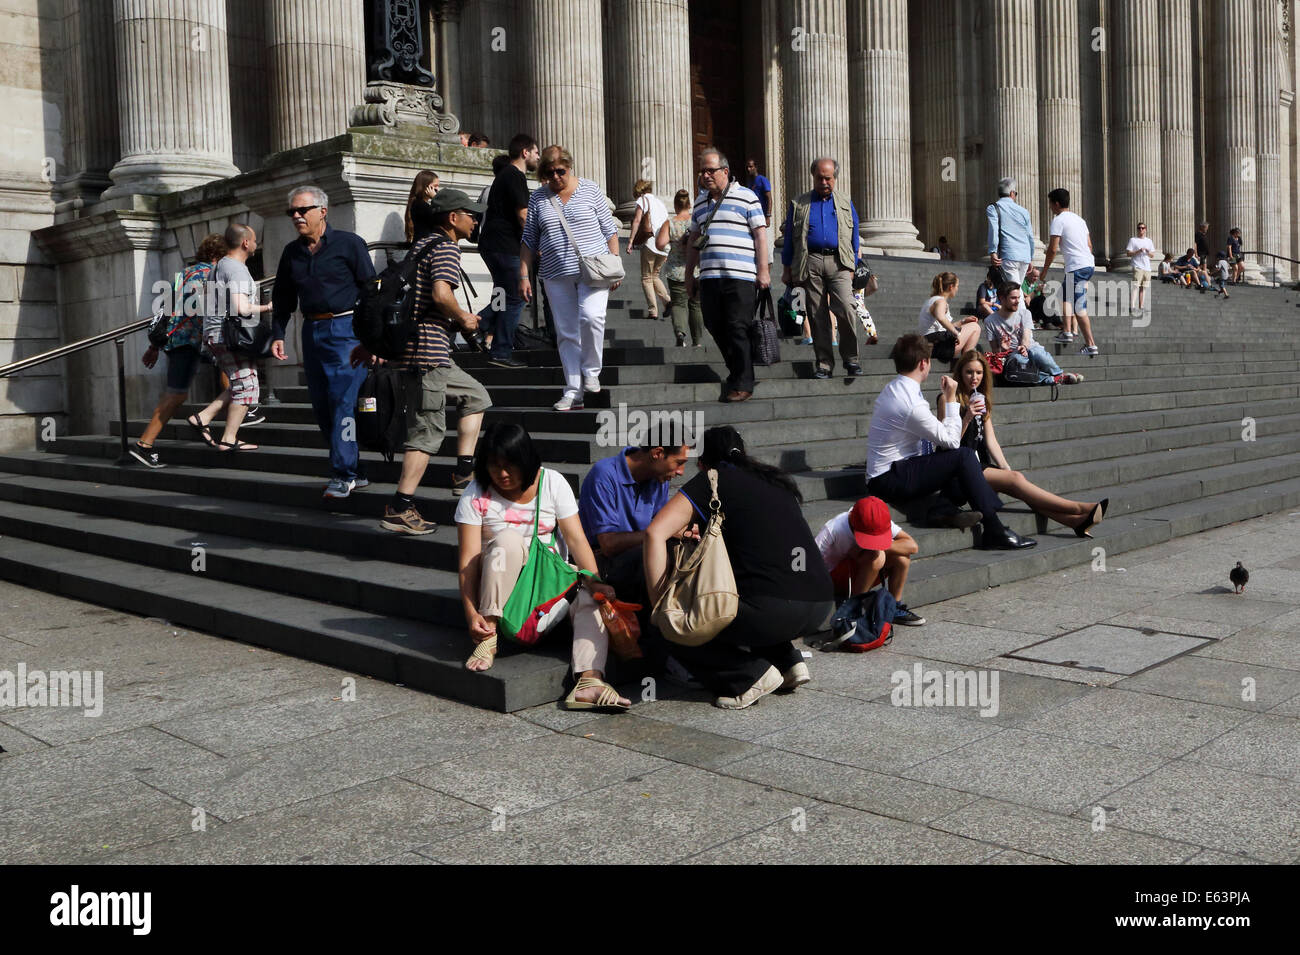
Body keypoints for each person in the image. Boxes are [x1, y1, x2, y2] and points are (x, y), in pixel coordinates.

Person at [643, 426, 833, 709]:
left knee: (678, 622)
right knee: (754, 593)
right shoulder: (774, 480)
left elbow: (654, 533)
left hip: (775, 611)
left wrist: (660, 604)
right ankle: (789, 663)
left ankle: (747, 677)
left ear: (704, 462)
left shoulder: (714, 479)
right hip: (821, 603)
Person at [456, 422, 630, 711]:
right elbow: (468, 561)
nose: (501, 474)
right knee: (509, 541)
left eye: (509, 466)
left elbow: (576, 540)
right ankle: (489, 634)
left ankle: (589, 681)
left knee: (590, 597)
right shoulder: (475, 494)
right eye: (494, 466)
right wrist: (471, 612)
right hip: (502, 594)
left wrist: (595, 580)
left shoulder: (552, 482)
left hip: (549, 591)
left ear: (526, 461)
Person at [351, 189, 493, 532]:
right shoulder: (444, 247)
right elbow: (442, 295)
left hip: (423, 353)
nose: (475, 219)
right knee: (426, 433)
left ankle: (463, 471)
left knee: (476, 396)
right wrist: (464, 318)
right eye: (469, 213)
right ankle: (401, 506)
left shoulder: (421, 246)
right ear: (451, 217)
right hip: (426, 356)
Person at [865, 333, 1036, 549]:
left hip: (894, 471)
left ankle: (943, 509)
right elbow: (952, 442)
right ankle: (994, 527)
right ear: (924, 363)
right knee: (963, 455)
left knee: (957, 461)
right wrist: (951, 399)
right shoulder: (910, 402)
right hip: (888, 480)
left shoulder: (896, 388)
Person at [271, 185, 377, 499]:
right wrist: (278, 334)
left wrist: (372, 340)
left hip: (346, 328)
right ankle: (354, 468)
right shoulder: (292, 252)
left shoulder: (349, 244)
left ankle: (343, 473)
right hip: (312, 331)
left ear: (323, 211)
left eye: (303, 210)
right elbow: (283, 297)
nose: (297, 216)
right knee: (321, 406)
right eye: (292, 211)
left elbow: (371, 292)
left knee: (343, 402)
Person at [940, 350, 1106, 537]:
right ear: (960, 373)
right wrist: (967, 418)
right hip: (957, 469)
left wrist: (1004, 467)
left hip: (979, 465)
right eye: (969, 372)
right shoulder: (947, 399)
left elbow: (990, 439)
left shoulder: (981, 398)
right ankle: (1079, 508)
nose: (974, 377)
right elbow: (947, 443)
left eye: (978, 373)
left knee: (1018, 484)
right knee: (1016, 480)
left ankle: (1073, 521)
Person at [519, 145, 621, 412]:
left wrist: (615, 261)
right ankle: (573, 390)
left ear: (569, 166)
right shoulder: (538, 198)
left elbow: (609, 230)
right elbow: (529, 238)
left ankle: (591, 371)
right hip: (555, 272)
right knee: (566, 333)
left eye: (560, 171)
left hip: (595, 269)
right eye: (549, 173)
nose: (555, 178)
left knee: (592, 317)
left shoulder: (590, 189)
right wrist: (523, 275)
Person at [131, 234, 227, 468]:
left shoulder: (183, 274)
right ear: (217, 256)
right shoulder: (210, 275)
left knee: (228, 367)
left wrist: (155, 346)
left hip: (177, 341)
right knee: (176, 394)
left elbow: (165, 310)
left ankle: (239, 411)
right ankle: (144, 445)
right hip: (191, 341)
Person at [685, 149, 770, 403]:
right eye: (702, 171)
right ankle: (739, 369)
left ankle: (743, 381)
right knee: (713, 324)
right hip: (710, 276)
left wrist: (763, 270)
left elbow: (760, 236)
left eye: (711, 170)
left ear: (725, 171)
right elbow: (692, 239)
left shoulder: (747, 197)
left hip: (741, 275)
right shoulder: (700, 203)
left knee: (737, 326)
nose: (706, 175)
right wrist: (690, 275)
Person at [780, 157, 868, 378]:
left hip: (839, 263)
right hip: (810, 262)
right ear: (813, 177)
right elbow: (789, 237)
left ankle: (851, 359)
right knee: (816, 314)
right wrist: (786, 268)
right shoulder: (799, 203)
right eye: (819, 178)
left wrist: (853, 265)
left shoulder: (845, 202)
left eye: (828, 178)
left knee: (847, 308)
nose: (824, 182)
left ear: (835, 178)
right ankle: (824, 364)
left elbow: (854, 234)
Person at [577, 437, 690, 608]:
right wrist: (662, 532)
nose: (681, 471)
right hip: (599, 566)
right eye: (678, 463)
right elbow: (608, 544)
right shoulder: (604, 475)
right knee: (657, 555)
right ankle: (659, 619)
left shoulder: (658, 478)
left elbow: (661, 524)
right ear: (657, 453)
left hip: (637, 555)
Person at [191, 223, 273, 453]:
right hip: (228, 336)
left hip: (216, 333)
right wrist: (268, 307)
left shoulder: (219, 267)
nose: (256, 244)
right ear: (246, 242)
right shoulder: (235, 268)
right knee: (247, 385)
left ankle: (203, 417)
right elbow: (241, 306)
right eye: (255, 239)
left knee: (242, 382)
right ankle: (228, 438)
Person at [477, 133, 540, 370]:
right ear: (525, 152)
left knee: (502, 295)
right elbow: (523, 215)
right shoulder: (515, 176)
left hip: (493, 246)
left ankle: (478, 324)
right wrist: (538, 245)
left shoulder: (505, 176)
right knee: (517, 297)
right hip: (504, 247)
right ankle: (501, 351)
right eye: (535, 152)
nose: (537, 157)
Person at [815, 496, 925, 626]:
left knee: (901, 558)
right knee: (877, 557)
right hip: (834, 578)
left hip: (861, 573)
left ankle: (894, 608)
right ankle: (853, 608)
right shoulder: (834, 528)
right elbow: (811, 562)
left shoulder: (878, 520)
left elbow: (912, 546)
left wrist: (881, 546)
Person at [1041, 188, 1099, 356]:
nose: (1050, 207)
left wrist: (1044, 272)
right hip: (1088, 264)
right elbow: (1089, 245)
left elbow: (1052, 249)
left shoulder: (1058, 220)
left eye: (1050, 203)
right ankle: (1069, 333)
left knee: (1076, 304)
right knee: (1066, 297)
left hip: (1076, 266)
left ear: (1056, 204)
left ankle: (1087, 342)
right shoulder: (1080, 220)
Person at [985, 284, 1079, 385]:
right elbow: (995, 352)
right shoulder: (990, 321)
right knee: (1018, 361)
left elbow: (1026, 336)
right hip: (1011, 355)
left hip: (1030, 347)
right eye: (1013, 298)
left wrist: (1024, 347)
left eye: (1018, 298)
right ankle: (1054, 379)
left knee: (1037, 353)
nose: (1017, 301)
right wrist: (1004, 349)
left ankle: (1058, 374)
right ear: (1002, 299)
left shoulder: (1025, 313)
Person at [662, 189, 704, 347]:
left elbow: (660, 243)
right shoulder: (696, 222)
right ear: (690, 204)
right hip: (696, 269)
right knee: (696, 305)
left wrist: (675, 242)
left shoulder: (670, 222)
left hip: (675, 271)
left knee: (679, 303)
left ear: (675, 204)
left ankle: (680, 331)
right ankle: (697, 341)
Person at [626, 179, 671, 320]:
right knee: (655, 276)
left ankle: (653, 311)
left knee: (646, 277)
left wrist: (631, 240)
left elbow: (637, 221)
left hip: (650, 242)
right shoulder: (661, 203)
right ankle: (668, 301)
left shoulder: (642, 201)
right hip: (663, 245)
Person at [918, 271, 979, 365]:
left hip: (932, 343)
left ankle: (966, 361)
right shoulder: (940, 301)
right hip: (940, 346)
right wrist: (956, 333)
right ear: (951, 286)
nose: (957, 289)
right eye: (957, 286)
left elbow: (944, 325)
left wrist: (963, 321)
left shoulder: (931, 300)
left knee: (970, 325)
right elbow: (941, 318)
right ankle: (966, 363)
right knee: (975, 327)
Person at [986, 177, 1036, 284]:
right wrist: (1030, 257)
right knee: (1016, 291)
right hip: (1024, 256)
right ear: (1012, 193)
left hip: (1008, 254)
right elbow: (1030, 237)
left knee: (1013, 292)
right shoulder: (1024, 211)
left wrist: (993, 251)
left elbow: (993, 231)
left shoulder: (993, 208)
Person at [1118, 222, 1156, 314]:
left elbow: (1152, 255)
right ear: (1137, 229)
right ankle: (1132, 306)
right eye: (1139, 228)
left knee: (1144, 288)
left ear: (1145, 229)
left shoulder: (1149, 241)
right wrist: (1138, 251)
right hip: (1137, 266)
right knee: (1135, 286)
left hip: (1147, 268)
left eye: (1143, 228)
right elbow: (1128, 253)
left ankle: (1141, 306)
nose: (1141, 230)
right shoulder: (1133, 240)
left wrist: (1147, 252)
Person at [404, 169, 441, 243]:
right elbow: (440, 220)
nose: (437, 189)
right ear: (426, 187)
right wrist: (435, 199)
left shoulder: (419, 203)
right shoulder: (420, 205)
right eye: (435, 186)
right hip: (424, 245)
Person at [744, 157, 772, 227]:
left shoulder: (763, 180)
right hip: (752, 215)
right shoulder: (750, 183)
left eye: (751, 167)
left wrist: (768, 216)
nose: (748, 169)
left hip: (761, 214)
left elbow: (769, 199)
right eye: (747, 167)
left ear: (755, 167)